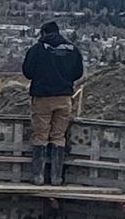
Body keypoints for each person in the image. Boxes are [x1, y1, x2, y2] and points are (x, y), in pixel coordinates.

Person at [21, 18, 83, 183]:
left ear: (43, 33)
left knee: (41, 135)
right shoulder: (72, 49)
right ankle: (57, 177)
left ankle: (38, 176)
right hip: (64, 97)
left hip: (42, 97)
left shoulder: (38, 49)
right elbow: (78, 73)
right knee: (58, 136)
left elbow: (27, 71)